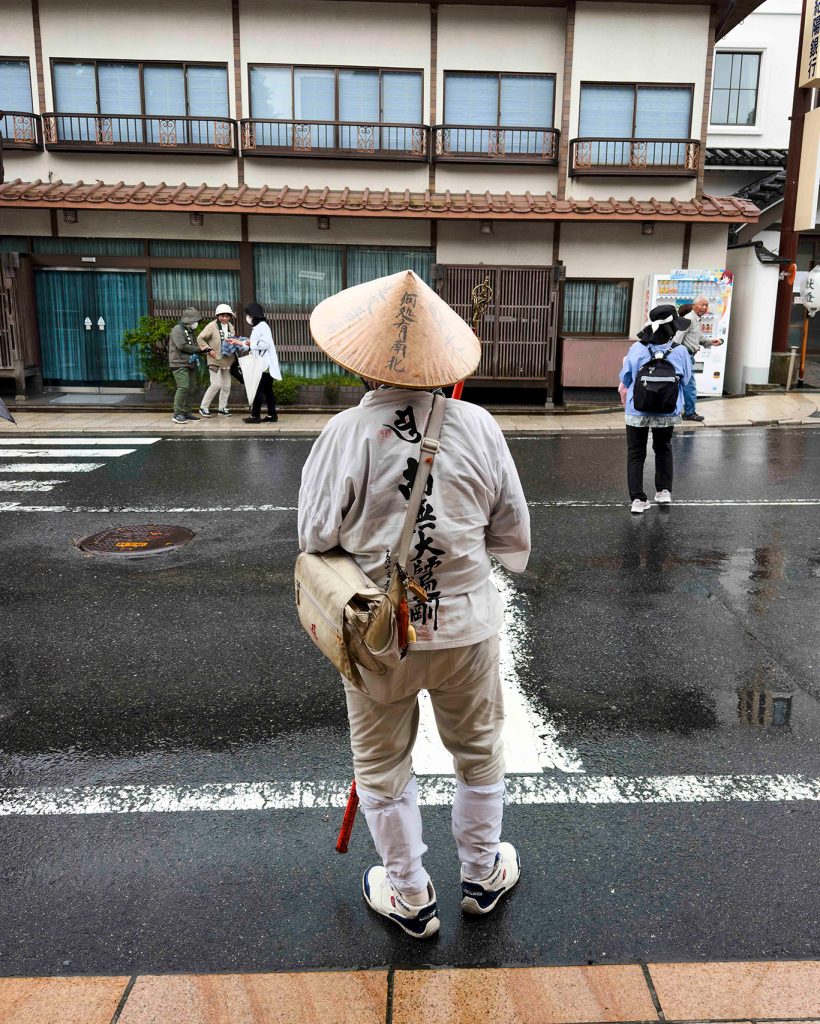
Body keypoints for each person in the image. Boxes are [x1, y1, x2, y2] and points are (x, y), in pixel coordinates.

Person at [298, 270, 531, 939]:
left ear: (359, 357)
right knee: (479, 751)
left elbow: (314, 538)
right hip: (465, 626)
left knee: (380, 764)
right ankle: (483, 876)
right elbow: (511, 533)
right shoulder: (479, 425)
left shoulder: (346, 432)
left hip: (377, 631)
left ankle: (409, 893)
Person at [618, 304, 692, 514]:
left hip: (637, 410)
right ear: (671, 328)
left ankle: (638, 500)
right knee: (663, 448)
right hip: (667, 411)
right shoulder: (680, 351)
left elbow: (626, 378)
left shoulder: (637, 348)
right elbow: (685, 380)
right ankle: (663, 491)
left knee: (635, 453)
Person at [676, 296, 723, 423]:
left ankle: (681, 411)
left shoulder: (696, 319)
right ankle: (689, 412)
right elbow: (677, 339)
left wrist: (710, 342)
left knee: (682, 385)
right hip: (684, 356)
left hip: (688, 356)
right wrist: (679, 356)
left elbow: (698, 337)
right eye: (702, 305)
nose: (704, 307)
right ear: (694, 306)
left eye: (706, 305)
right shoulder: (689, 319)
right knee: (690, 385)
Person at [233, 301, 281, 423]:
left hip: (264, 365)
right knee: (268, 391)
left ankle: (255, 416)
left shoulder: (262, 327)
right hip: (265, 365)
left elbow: (265, 344)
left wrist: (251, 343)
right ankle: (272, 415)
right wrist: (239, 343)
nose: (247, 317)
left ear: (253, 316)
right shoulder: (258, 327)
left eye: (248, 315)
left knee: (257, 390)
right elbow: (254, 345)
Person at [168, 307, 210, 424]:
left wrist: (200, 350)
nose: (197, 323)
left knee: (192, 388)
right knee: (183, 387)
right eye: (196, 320)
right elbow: (182, 346)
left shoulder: (189, 330)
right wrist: (199, 349)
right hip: (179, 362)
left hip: (189, 363)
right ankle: (177, 414)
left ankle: (186, 412)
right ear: (189, 319)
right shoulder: (177, 329)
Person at [196, 303, 237, 416]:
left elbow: (232, 341)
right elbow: (200, 338)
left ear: (230, 316)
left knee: (226, 385)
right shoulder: (211, 326)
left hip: (227, 359)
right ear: (217, 316)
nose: (224, 318)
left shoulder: (231, 327)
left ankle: (222, 408)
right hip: (214, 359)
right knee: (215, 384)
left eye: (227, 316)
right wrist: (209, 350)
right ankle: (203, 407)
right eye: (222, 315)